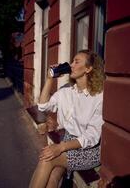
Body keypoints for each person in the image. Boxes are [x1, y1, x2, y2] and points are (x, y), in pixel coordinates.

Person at [29, 49, 105, 188]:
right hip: (67, 140)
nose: (71, 65)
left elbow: (92, 137)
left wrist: (60, 147)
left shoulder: (99, 96)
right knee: (53, 175)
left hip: (88, 149)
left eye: (76, 62)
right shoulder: (66, 89)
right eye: (72, 61)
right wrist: (49, 79)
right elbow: (43, 106)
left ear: (88, 68)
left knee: (47, 159)